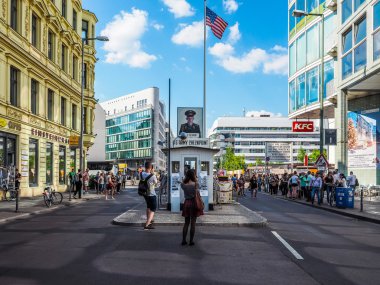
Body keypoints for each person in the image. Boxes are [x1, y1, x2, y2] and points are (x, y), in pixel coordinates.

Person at [181, 169, 203, 246]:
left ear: (186, 175)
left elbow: (183, 184)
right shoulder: (196, 184)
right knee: (193, 223)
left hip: (186, 203)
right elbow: (198, 194)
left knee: (186, 223)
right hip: (194, 203)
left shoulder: (183, 184)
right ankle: (191, 241)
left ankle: (183, 240)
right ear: (194, 175)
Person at [141, 162, 158, 230]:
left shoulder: (141, 174)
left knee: (148, 207)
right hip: (151, 194)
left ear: (145, 167)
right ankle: (147, 224)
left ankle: (149, 221)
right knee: (153, 209)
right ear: (151, 168)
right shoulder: (153, 176)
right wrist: (153, 173)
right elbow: (156, 183)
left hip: (145, 193)